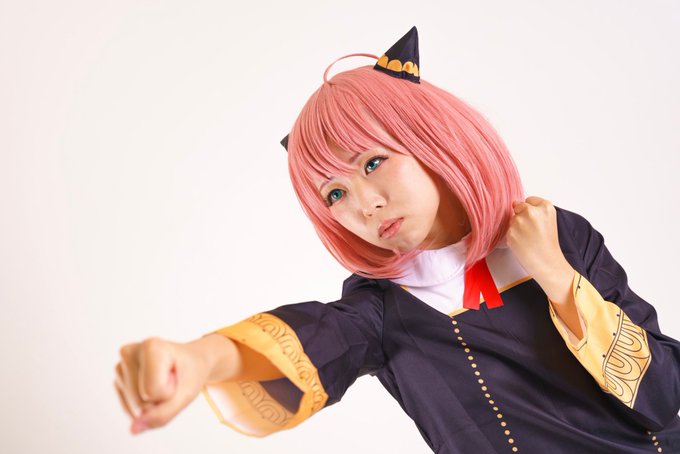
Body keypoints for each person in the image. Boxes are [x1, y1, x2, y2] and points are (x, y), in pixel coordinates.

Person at [114, 27, 680, 453]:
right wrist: (197, 359)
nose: (364, 204)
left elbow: (663, 396)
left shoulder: (559, 237)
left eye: (373, 162)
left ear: (432, 139)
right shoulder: (382, 308)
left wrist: (557, 277)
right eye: (334, 193)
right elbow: (311, 340)